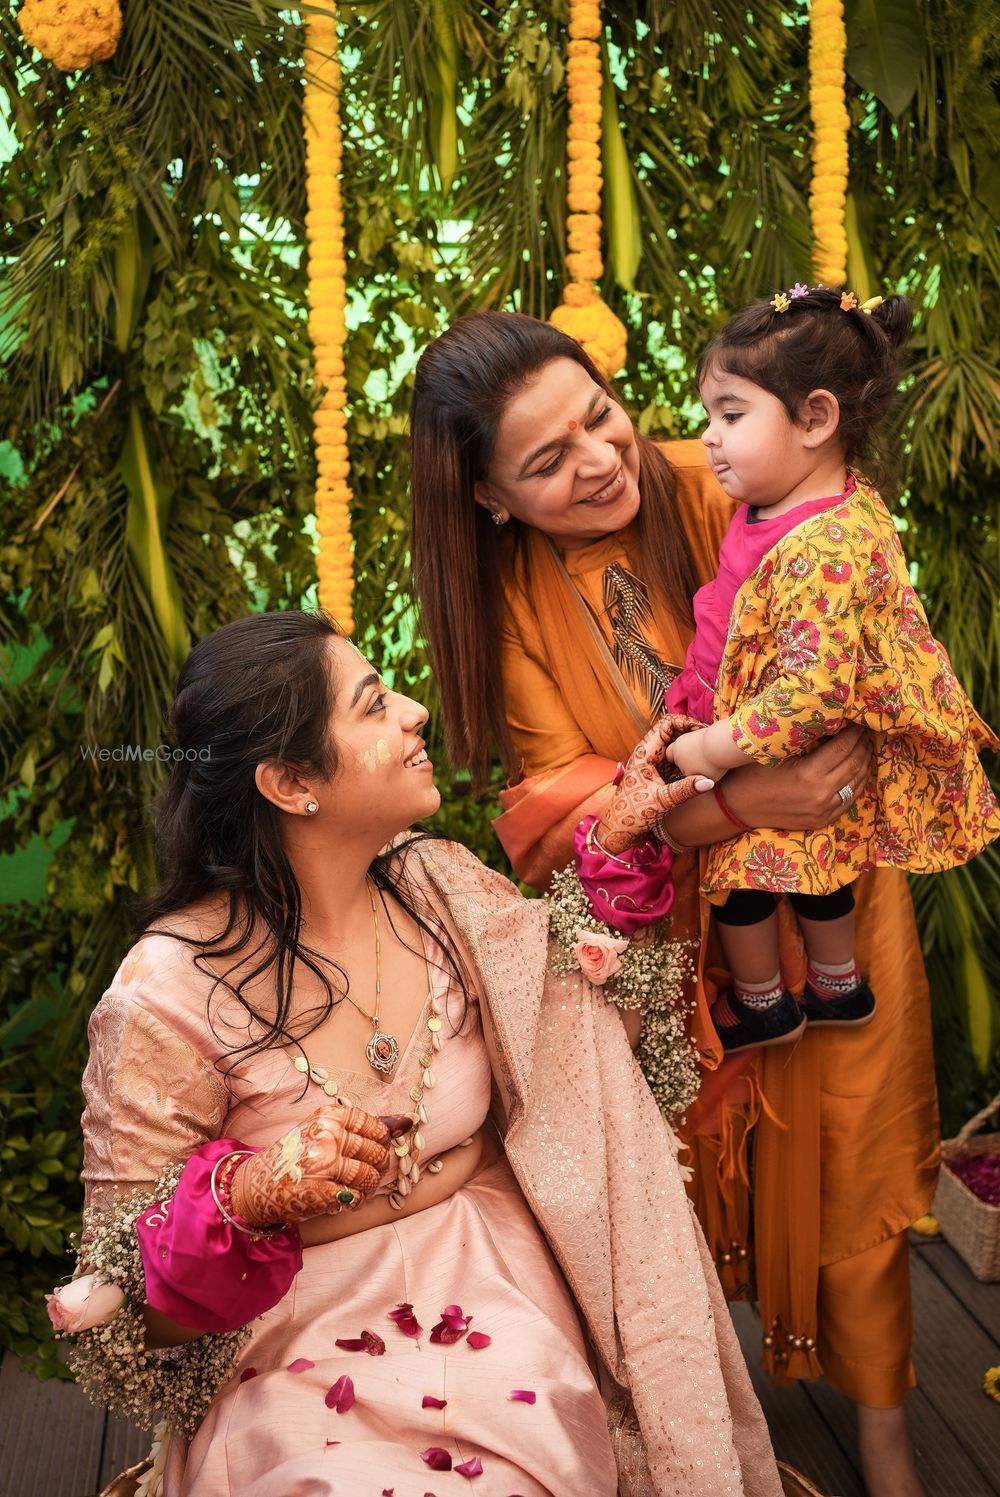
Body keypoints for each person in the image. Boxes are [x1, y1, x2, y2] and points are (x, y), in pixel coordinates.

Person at [409, 309, 942, 1497]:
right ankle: (707, 1426)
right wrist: (746, 801)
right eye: (546, 461)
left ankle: (888, 1436)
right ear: (488, 497)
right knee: (678, 1183)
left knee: (854, 1150)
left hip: (829, 899)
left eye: (600, 417)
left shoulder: (730, 478)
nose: (602, 460)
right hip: (671, 942)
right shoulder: (509, 604)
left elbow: (849, 617)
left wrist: (820, 329)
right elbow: (566, 811)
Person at [72, 610, 783, 1497]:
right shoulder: (164, 992)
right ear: (291, 782)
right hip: (293, 1334)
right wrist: (248, 1195)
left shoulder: (437, 885)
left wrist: (618, 848)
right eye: (373, 704)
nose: (414, 712)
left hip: (499, 1283)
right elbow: (126, 1312)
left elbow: (583, 1049)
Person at [661, 285, 999, 1054]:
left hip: (772, 745)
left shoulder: (822, 545)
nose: (708, 437)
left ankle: (764, 1001)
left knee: (745, 875)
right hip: (759, 726)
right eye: (710, 415)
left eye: (731, 415)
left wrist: (713, 747)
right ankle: (836, 983)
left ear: (816, 419)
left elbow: (811, 695)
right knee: (819, 869)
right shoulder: (790, 502)